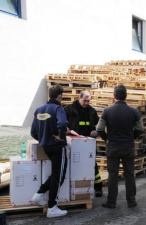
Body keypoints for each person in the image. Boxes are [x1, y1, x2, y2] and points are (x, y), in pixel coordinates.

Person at [96, 84, 143, 209]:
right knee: (129, 174)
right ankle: (131, 201)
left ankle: (111, 202)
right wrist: (132, 137)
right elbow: (140, 129)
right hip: (128, 147)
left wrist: (107, 139)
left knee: (113, 175)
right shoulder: (134, 112)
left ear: (114, 96)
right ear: (126, 96)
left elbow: (99, 129)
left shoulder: (107, 111)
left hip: (113, 147)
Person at [30, 84, 69, 218]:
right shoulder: (58, 108)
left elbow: (33, 132)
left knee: (55, 174)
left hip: (45, 146)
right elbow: (63, 124)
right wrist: (60, 136)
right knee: (58, 176)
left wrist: (43, 139)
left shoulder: (39, 110)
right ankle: (52, 207)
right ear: (59, 96)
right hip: (57, 146)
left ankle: (39, 194)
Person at [64, 90, 103, 197]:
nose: (86, 103)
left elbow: (98, 125)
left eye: (88, 101)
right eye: (85, 101)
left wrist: (96, 132)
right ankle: (70, 188)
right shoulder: (69, 110)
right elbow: (62, 124)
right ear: (79, 98)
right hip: (73, 144)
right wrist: (66, 130)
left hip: (88, 144)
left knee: (92, 165)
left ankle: (98, 187)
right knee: (72, 165)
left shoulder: (92, 111)